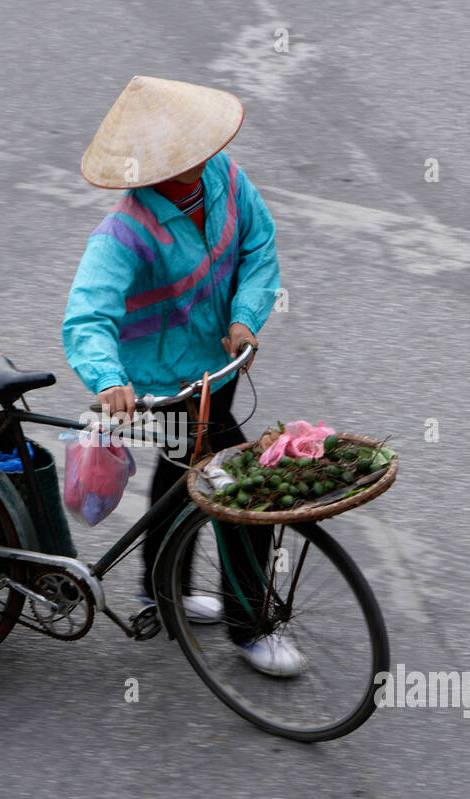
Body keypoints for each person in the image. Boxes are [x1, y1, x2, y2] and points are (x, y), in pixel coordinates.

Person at [62, 75, 304, 676]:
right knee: (238, 490)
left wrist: (246, 318)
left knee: (179, 476)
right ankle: (250, 626)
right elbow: (86, 317)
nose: (200, 156)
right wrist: (107, 379)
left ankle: (157, 589)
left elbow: (260, 246)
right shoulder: (123, 233)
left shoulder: (225, 179)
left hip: (218, 373)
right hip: (167, 385)